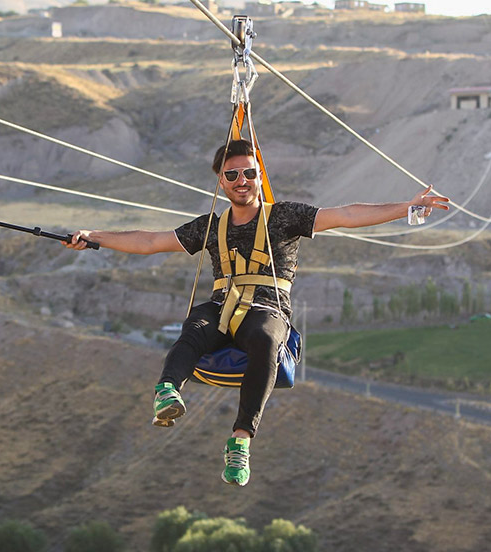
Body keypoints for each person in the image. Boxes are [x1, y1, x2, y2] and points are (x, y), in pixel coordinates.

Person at [64, 139, 449, 486]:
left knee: (265, 339)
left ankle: (241, 440)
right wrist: (95, 238)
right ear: (221, 182)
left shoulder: (284, 217)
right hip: (222, 305)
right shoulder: (210, 227)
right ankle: (167, 391)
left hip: (267, 308)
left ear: (259, 175)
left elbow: (345, 215)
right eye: (233, 174)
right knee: (194, 328)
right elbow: (150, 241)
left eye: (250, 172)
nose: (243, 180)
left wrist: (406, 207)